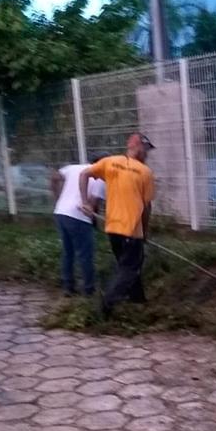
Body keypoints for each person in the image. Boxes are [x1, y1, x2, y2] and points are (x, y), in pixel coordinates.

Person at [79, 133, 156, 317]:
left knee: (128, 266)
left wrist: (85, 203)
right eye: (145, 149)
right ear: (137, 146)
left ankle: (138, 299)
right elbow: (146, 207)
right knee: (130, 268)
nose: (147, 154)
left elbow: (84, 174)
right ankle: (106, 304)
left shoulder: (110, 162)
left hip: (113, 228)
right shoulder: (145, 172)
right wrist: (144, 231)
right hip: (132, 230)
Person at [51, 153, 108, 296]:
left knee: (68, 251)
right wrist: (94, 220)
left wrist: (58, 198)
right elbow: (93, 204)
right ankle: (89, 289)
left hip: (61, 212)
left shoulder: (73, 168)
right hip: (79, 217)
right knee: (85, 254)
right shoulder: (100, 178)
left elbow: (54, 177)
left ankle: (68, 286)